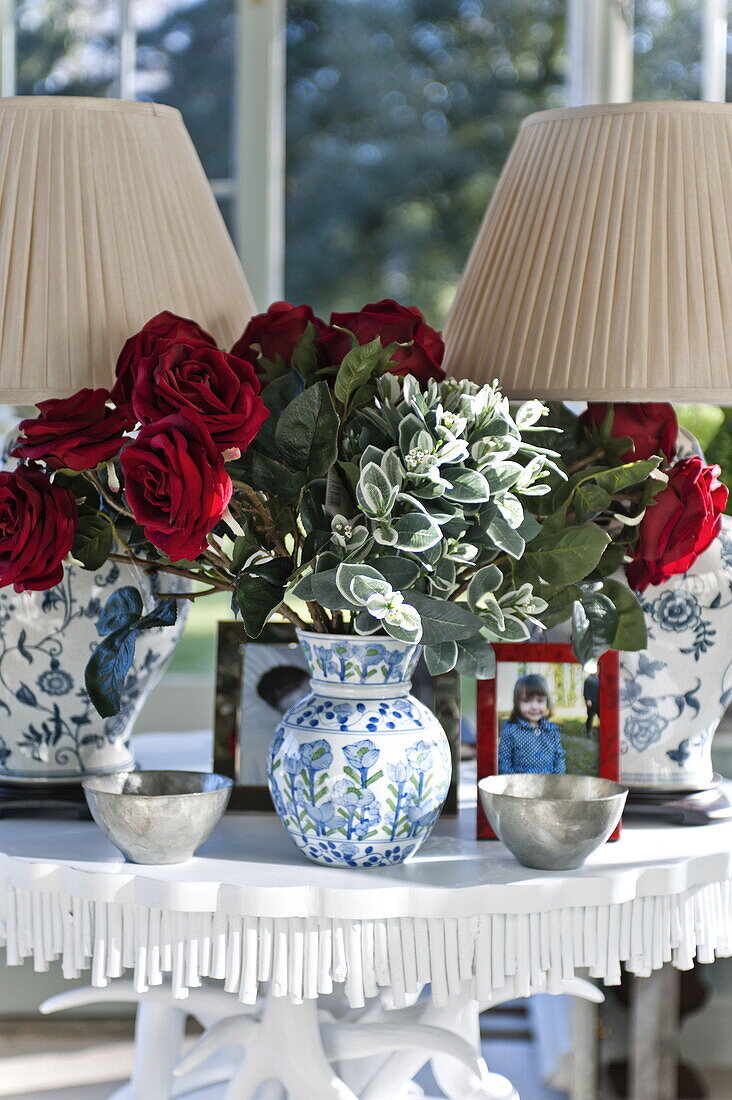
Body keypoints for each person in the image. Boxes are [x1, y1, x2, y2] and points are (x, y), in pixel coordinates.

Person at [498, 674, 566, 774]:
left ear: (547, 702)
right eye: (527, 701)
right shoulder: (510, 732)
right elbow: (504, 762)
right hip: (521, 785)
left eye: (540, 701)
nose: (534, 706)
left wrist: (558, 780)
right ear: (517, 703)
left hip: (548, 784)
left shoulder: (552, 731)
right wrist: (513, 784)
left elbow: (559, 758)